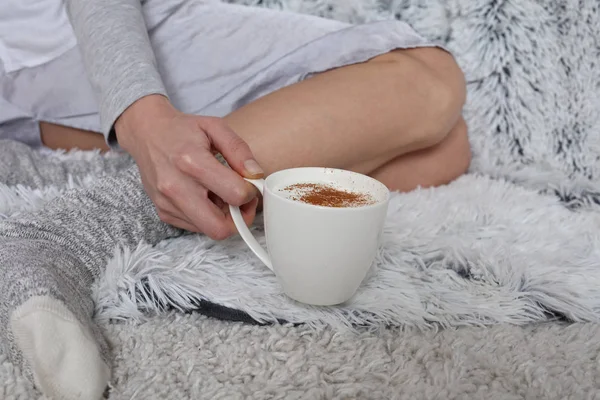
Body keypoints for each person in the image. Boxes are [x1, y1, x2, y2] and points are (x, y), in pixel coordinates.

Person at [0, 0, 470, 398]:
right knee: (423, 82)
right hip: (56, 39)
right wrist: (144, 118)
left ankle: (129, 189)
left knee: (444, 148)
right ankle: (62, 235)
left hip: (67, 44)